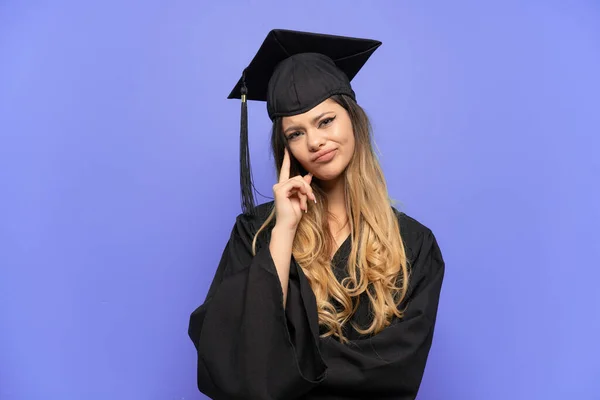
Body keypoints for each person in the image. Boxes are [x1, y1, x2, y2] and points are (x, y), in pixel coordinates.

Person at [188, 28, 445, 400]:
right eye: (295, 133)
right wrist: (284, 231)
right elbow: (232, 351)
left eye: (326, 121)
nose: (314, 141)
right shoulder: (256, 232)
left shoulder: (414, 244)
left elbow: (396, 369)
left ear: (354, 120)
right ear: (285, 148)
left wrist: (284, 361)